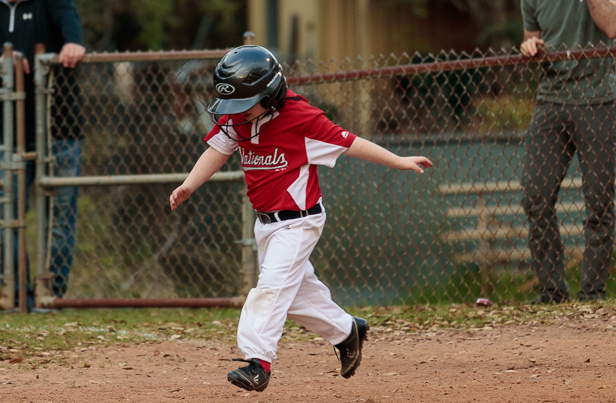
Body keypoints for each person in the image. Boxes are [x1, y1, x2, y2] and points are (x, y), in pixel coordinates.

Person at [169, 45, 433, 392]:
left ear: (272, 94)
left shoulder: (301, 119)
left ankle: (257, 362)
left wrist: (398, 160)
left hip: (299, 221)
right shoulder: (238, 118)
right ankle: (346, 331)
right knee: (294, 296)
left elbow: (350, 142)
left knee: (271, 289)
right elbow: (218, 149)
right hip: (265, 223)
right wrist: (189, 185)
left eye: (245, 105)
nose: (238, 113)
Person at [0, 0, 86, 308]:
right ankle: (19, 297)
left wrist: (74, 44)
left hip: (61, 131)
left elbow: (71, 29)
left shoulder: (53, 2)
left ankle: (49, 296)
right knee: (9, 216)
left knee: (62, 216)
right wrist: (0, 57)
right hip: (8, 134)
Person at [520, 0, 616, 303]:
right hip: (550, 102)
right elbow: (529, 39)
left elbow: (612, 26)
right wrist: (531, 45)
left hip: (599, 102)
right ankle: (553, 291)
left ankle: (592, 292)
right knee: (536, 196)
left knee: (600, 203)